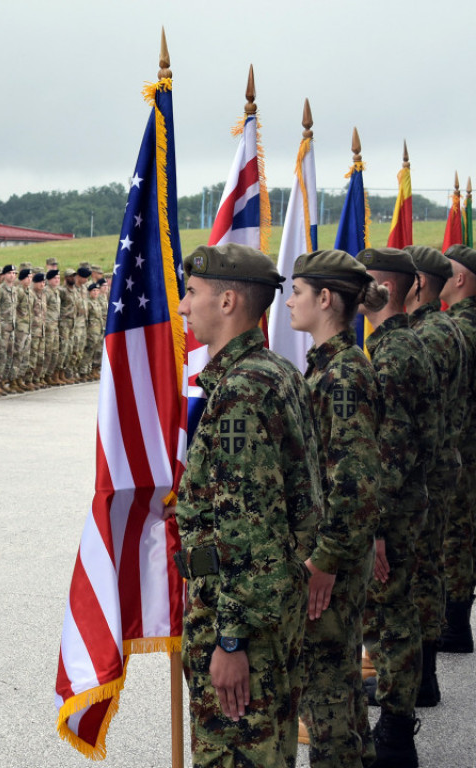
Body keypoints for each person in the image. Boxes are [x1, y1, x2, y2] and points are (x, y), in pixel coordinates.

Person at [174, 243, 320, 767]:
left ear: (229, 300)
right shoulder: (277, 372)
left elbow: (248, 528)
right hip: (268, 610)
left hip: (240, 625)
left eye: (192, 293)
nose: (184, 307)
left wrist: (231, 641)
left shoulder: (241, 392)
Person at [286, 250, 385, 768]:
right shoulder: (329, 367)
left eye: (297, 292)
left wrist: (324, 561)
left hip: (334, 558)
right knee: (339, 692)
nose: (288, 302)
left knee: (327, 701)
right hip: (335, 550)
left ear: (325, 299)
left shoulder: (343, 376)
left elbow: (356, 481)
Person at [357, 247, 436, 766]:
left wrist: (377, 529)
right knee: (392, 615)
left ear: (379, 286)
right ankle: (396, 711)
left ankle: (396, 730)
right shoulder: (397, 345)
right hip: (406, 505)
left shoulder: (393, 354)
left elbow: (392, 449)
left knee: (393, 618)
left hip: (395, 511)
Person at [402, 243, 467, 706]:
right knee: (430, 565)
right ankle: (421, 676)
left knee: (420, 571)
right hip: (442, 464)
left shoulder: (429, 336)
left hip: (428, 469)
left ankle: (418, 681)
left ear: (418, 284)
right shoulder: (439, 328)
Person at [440, 243, 476, 654]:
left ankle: (453, 624)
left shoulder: (461, 328)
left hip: (461, 444)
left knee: (455, 534)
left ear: (461, 279)